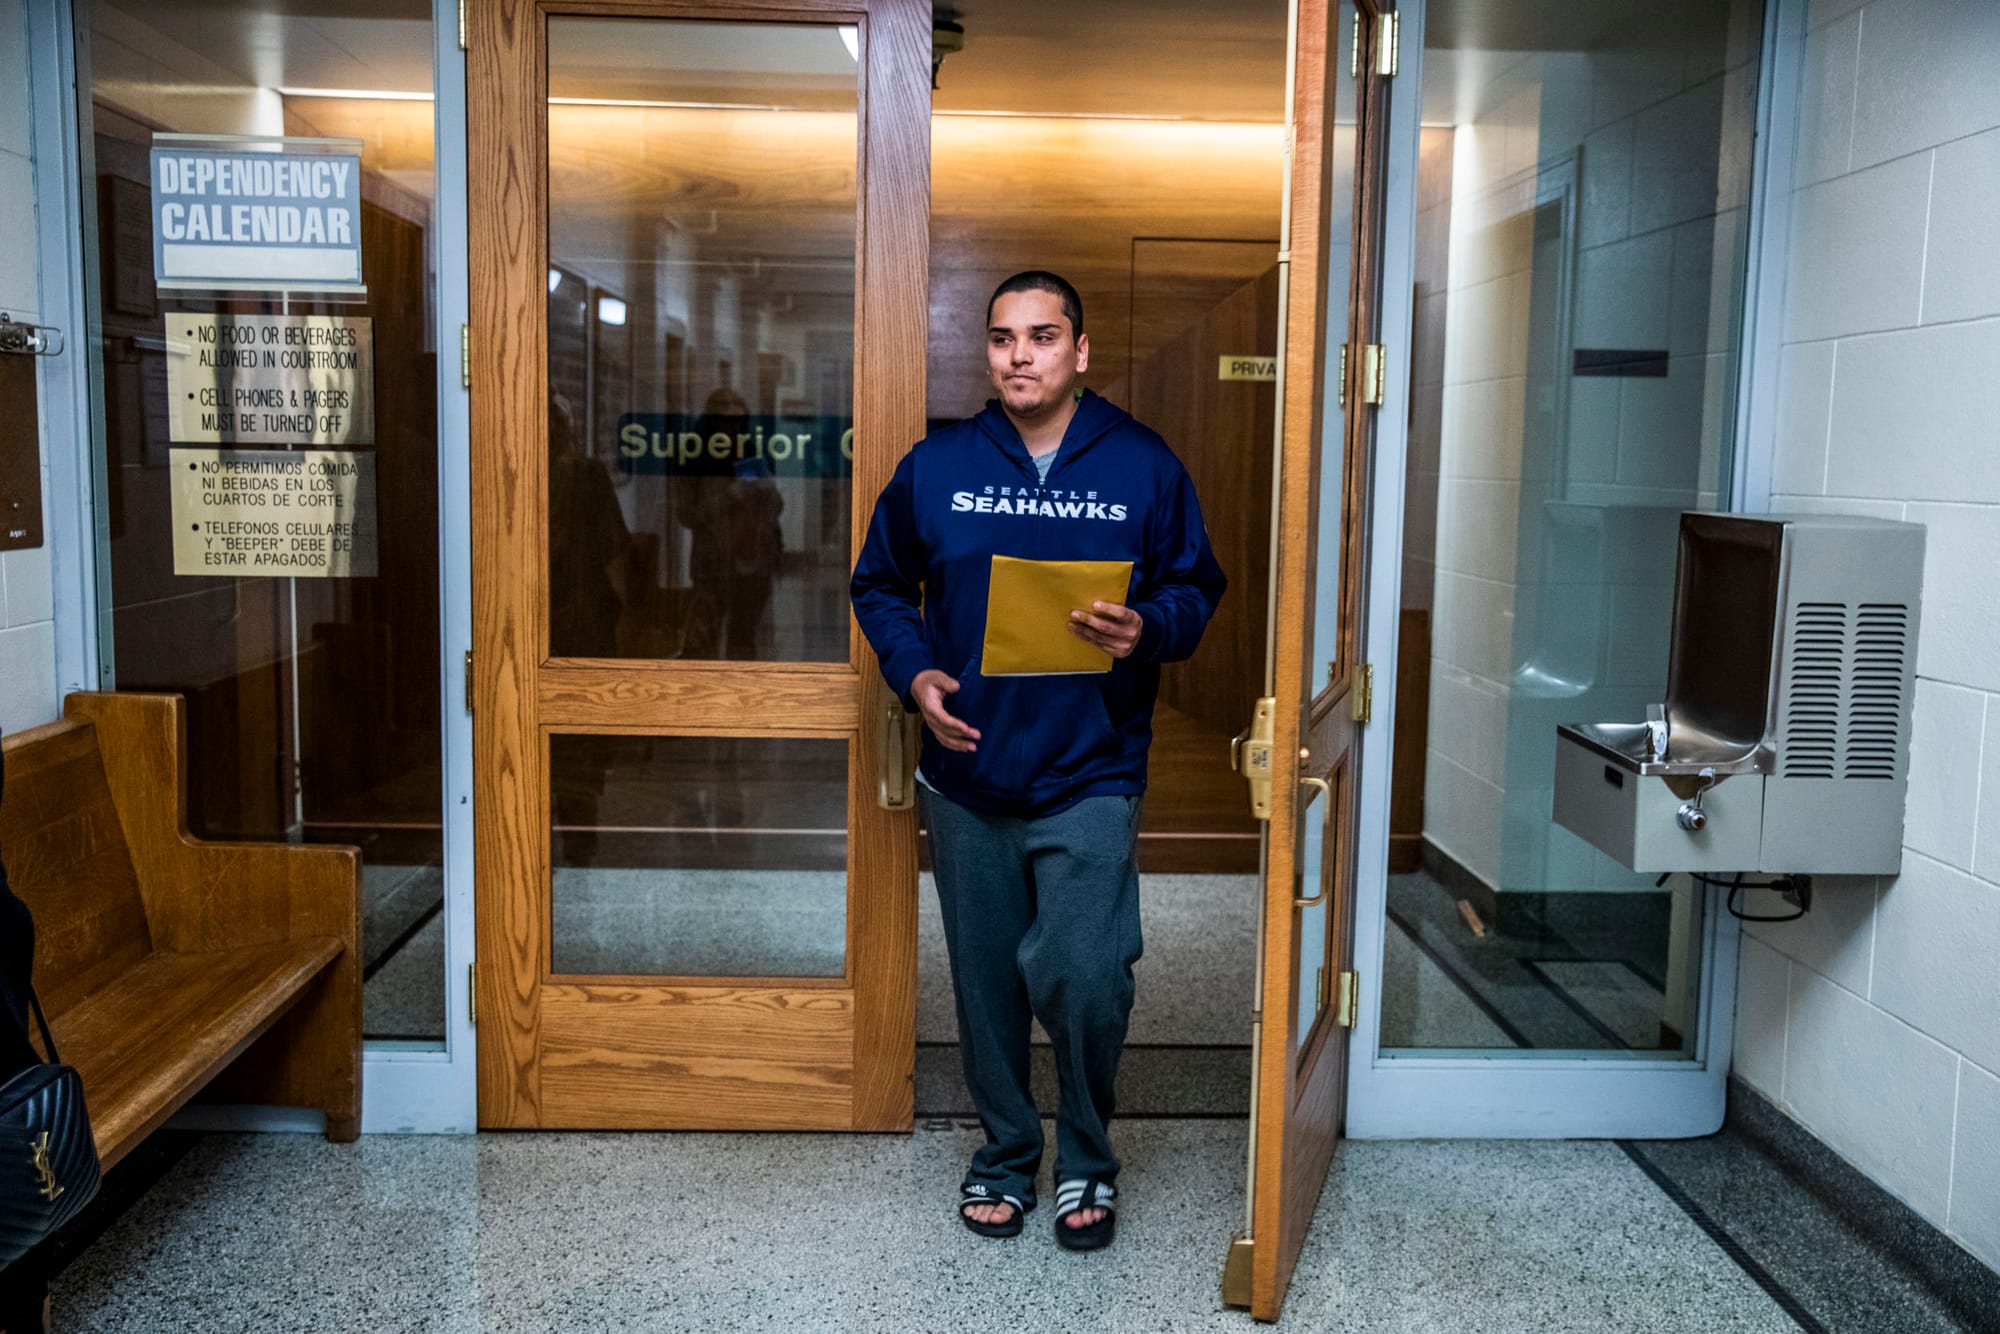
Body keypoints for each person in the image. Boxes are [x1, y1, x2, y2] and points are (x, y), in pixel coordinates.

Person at [850, 270, 1226, 1251]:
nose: (1020, 354)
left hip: (1091, 765)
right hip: (967, 771)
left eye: (1042, 336)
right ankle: (1008, 1153)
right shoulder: (937, 464)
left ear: (1079, 351)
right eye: (1003, 337)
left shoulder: (1141, 465)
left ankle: (1089, 1154)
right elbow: (880, 581)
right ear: (987, 352)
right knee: (985, 984)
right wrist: (915, 672)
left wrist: (1147, 623)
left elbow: (1195, 587)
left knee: (1084, 970)